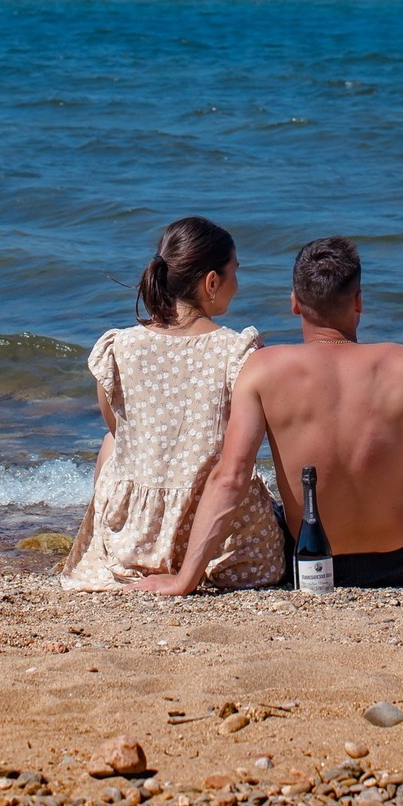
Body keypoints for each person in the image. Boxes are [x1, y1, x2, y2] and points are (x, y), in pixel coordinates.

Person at [131, 235, 403, 593]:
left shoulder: (263, 370)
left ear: (295, 304)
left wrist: (183, 581)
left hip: (307, 562)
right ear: (359, 301)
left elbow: (230, 478)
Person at [59, 216, 285, 592]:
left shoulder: (120, 347)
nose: (237, 285)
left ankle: (114, 543)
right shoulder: (236, 351)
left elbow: (119, 430)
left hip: (133, 540)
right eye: (234, 274)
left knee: (111, 443)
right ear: (211, 282)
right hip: (218, 545)